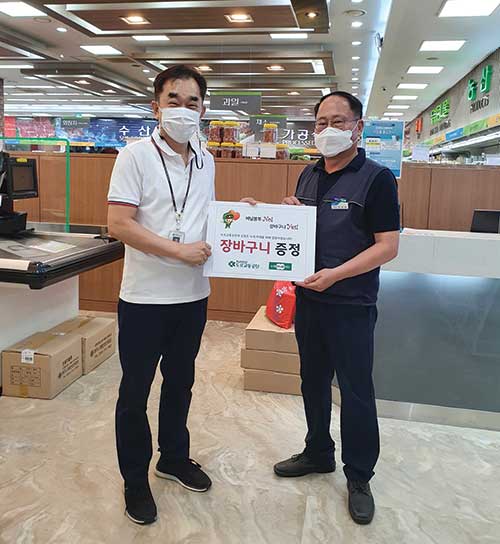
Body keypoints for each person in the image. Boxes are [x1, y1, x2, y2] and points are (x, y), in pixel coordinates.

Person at [273, 91, 400, 525]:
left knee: (355, 391)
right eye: (321, 123)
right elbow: (304, 231)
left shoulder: (377, 179)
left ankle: (359, 475)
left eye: (339, 121)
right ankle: (317, 452)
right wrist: (288, 214)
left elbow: (387, 246)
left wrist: (337, 274)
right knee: (312, 381)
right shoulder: (308, 174)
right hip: (310, 299)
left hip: (351, 304)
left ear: (358, 128)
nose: (329, 130)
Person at [107, 65, 215, 525]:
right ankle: (135, 480)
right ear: (156, 106)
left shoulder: (206, 157)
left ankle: (172, 457)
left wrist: (245, 216)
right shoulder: (134, 156)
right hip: (145, 298)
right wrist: (177, 251)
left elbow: (206, 213)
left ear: (203, 110)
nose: (183, 110)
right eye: (174, 100)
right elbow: (119, 224)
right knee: (135, 392)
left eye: (193, 102)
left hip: (192, 296)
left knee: (180, 383)